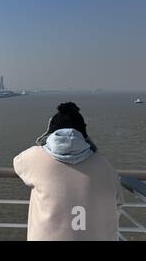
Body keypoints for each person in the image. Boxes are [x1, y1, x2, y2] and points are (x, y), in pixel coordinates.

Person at [13, 102, 124, 241]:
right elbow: (118, 202)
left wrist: (43, 143)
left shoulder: (35, 157)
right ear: (84, 135)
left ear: (51, 133)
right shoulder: (103, 164)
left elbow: (17, 162)